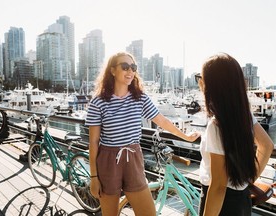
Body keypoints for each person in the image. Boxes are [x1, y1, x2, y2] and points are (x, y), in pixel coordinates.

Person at [85, 51, 200, 216]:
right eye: (125, 67)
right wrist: (94, 177)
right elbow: (94, 142)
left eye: (133, 67)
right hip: (108, 160)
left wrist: (186, 137)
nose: (130, 71)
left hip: (133, 157)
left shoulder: (140, 99)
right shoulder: (98, 102)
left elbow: (163, 122)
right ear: (112, 70)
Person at [196, 53, 274, 216]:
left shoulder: (216, 126)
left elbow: (218, 186)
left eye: (200, 78)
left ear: (212, 85)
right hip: (242, 199)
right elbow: (267, 146)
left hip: (222, 205)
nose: (199, 83)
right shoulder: (244, 115)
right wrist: (249, 178)